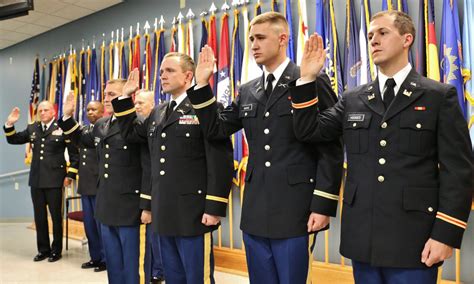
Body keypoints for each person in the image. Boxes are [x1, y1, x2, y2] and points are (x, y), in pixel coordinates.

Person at [290, 10, 472, 284]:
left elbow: (458, 170)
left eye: (383, 33)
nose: (373, 40)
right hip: (363, 238)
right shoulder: (354, 98)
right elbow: (309, 131)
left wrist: (445, 235)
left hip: (414, 239)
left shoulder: (437, 96)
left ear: (407, 39)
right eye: (370, 35)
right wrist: (306, 80)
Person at [187, 12, 343, 283]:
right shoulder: (249, 89)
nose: (254, 45)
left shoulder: (309, 79)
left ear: (282, 39)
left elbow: (329, 144)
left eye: (260, 38)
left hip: (296, 206)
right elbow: (216, 129)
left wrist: (322, 204)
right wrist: (201, 86)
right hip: (256, 207)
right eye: (250, 39)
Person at [111, 53, 233, 284]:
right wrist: (125, 98)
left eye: (169, 71)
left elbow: (220, 159)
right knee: (173, 276)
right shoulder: (158, 112)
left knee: (197, 277)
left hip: (194, 212)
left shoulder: (206, 107)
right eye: (161, 72)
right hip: (163, 210)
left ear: (188, 76)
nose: (162, 76)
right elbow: (131, 134)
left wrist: (215, 206)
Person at [58, 80, 143, 284]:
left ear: (126, 95)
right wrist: (68, 116)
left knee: (130, 265)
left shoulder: (137, 123)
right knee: (113, 264)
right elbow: (80, 138)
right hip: (106, 203)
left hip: (129, 205)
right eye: (105, 94)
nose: (106, 98)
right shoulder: (102, 124)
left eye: (112, 94)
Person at [3, 101, 79, 262]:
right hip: (36, 180)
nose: (42, 112)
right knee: (39, 217)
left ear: (53, 112)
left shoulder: (62, 128)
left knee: (56, 217)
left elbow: (74, 155)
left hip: (55, 180)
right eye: (40, 110)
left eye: (46, 110)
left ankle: (56, 250)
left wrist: (70, 175)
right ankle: (43, 249)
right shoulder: (33, 128)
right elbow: (14, 139)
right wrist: (9, 124)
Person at [69, 100, 107, 272]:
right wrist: (67, 116)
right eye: (88, 109)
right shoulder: (85, 129)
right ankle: (95, 257)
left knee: (101, 226)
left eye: (94, 109)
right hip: (86, 184)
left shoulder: (104, 128)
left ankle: (106, 259)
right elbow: (75, 138)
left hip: (99, 184)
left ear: (102, 111)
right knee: (89, 226)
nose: (90, 112)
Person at [134, 90, 165, 284]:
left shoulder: (156, 126)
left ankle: (158, 270)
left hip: (155, 191)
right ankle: (156, 269)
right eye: (135, 103)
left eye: (141, 103)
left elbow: (149, 167)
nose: (137, 106)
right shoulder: (140, 127)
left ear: (152, 105)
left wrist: (147, 203)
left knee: (156, 237)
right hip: (143, 191)